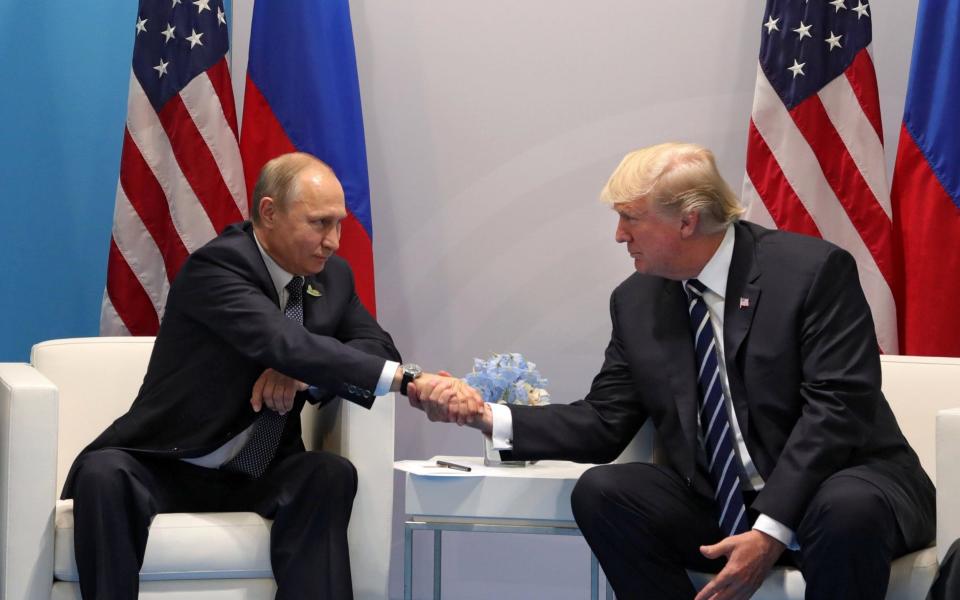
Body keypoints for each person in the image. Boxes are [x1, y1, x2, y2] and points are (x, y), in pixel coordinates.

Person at [410, 143, 936, 600]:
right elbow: (604, 422)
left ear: (687, 219)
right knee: (605, 492)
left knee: (847, 509)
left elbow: (836, 411)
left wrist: (771, 528)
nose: (619, 236)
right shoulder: (638, 301)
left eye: (631, 218)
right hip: (722, 501)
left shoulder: (811, 272)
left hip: (840, 482)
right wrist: (487, 417)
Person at [62, 152, 476, 600]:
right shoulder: (218, 267)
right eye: (319, 223)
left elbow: (376, 348)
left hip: (260, 470)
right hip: (170, 463)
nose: (334, 240)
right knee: (103, 474)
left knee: (328, 474)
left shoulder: (333, 277)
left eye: (338, 224)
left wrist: (303, 378)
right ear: (269, 212)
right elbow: (285, 343)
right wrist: (410, 380)